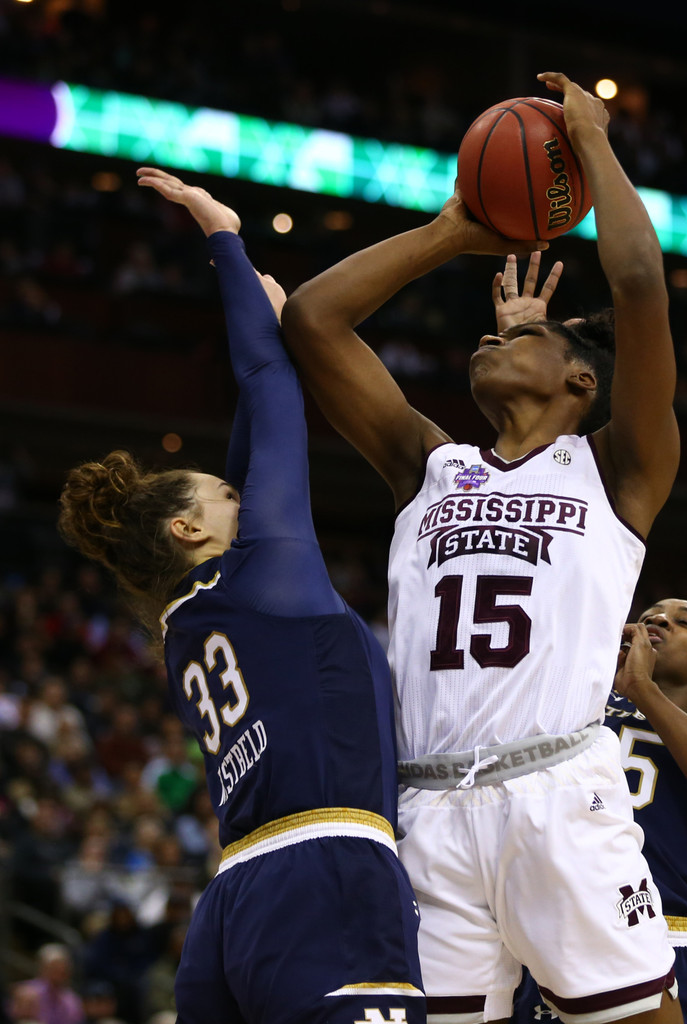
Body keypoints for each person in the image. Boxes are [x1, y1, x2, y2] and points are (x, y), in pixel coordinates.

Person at [283, 71, 681, 1022]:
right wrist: (450, 234)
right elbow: (310, 319)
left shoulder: (617, 469)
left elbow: (636, 285)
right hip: (426, 810)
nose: (491, 337)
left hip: (556, 794)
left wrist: (592, 142)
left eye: (532, 337)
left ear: (581, 383)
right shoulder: (428, 465)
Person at [58, 170, 424, 1024]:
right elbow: (266, 382)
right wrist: (223, 234)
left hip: (234, 898)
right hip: (325, 871)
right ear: (190, 529)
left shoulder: (190, 619)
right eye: (222, 494)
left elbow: (263, 411)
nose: (243, 494)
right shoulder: (266, 572)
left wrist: (269, 317)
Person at [513, 598, 687, 1024]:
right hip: (561, 942)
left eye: (683, 622)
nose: (658, 619)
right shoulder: (573, 715)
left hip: (671, 940)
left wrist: (643, 688)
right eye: (651, 613)